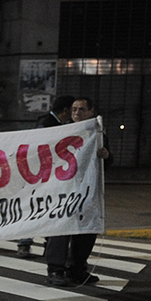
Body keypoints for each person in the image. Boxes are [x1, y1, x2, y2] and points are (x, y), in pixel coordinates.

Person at [44, 96, 109, 286]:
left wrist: (107, 155)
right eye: (73, 110)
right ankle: (55, 270)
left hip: (87, 191)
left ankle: (77, 269)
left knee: (87, 230)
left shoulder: (98, 134)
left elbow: (107, 164)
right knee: (61, 229)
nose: (77, 113)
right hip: (63, 190)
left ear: (91, 111)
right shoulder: (59, 132)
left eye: (81, 110)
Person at [17, 95, 75, 257]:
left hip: (52, 175)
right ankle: (25, 243)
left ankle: (48, 244)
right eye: (73, 109)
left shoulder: (60, 124)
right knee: (35, 208)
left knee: (50, 207)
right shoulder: (47, 125)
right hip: (40, 176)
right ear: (65, 110)